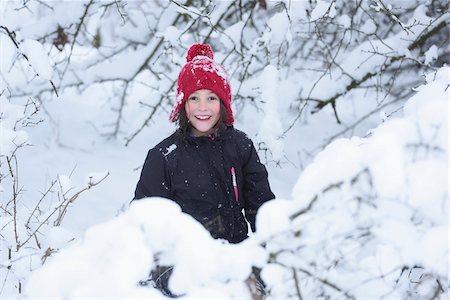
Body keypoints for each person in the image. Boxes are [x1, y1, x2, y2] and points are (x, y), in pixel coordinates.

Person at [133, 43, 275, 244]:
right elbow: (146, 221)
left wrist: (273, 249)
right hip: (189, 262)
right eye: (194, 98)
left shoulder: (240, 146)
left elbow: (261, 207)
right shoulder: (164, 157)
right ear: (183, 104)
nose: (202, 107)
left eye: (211, 98)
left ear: (223, 103)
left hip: (237, 256)